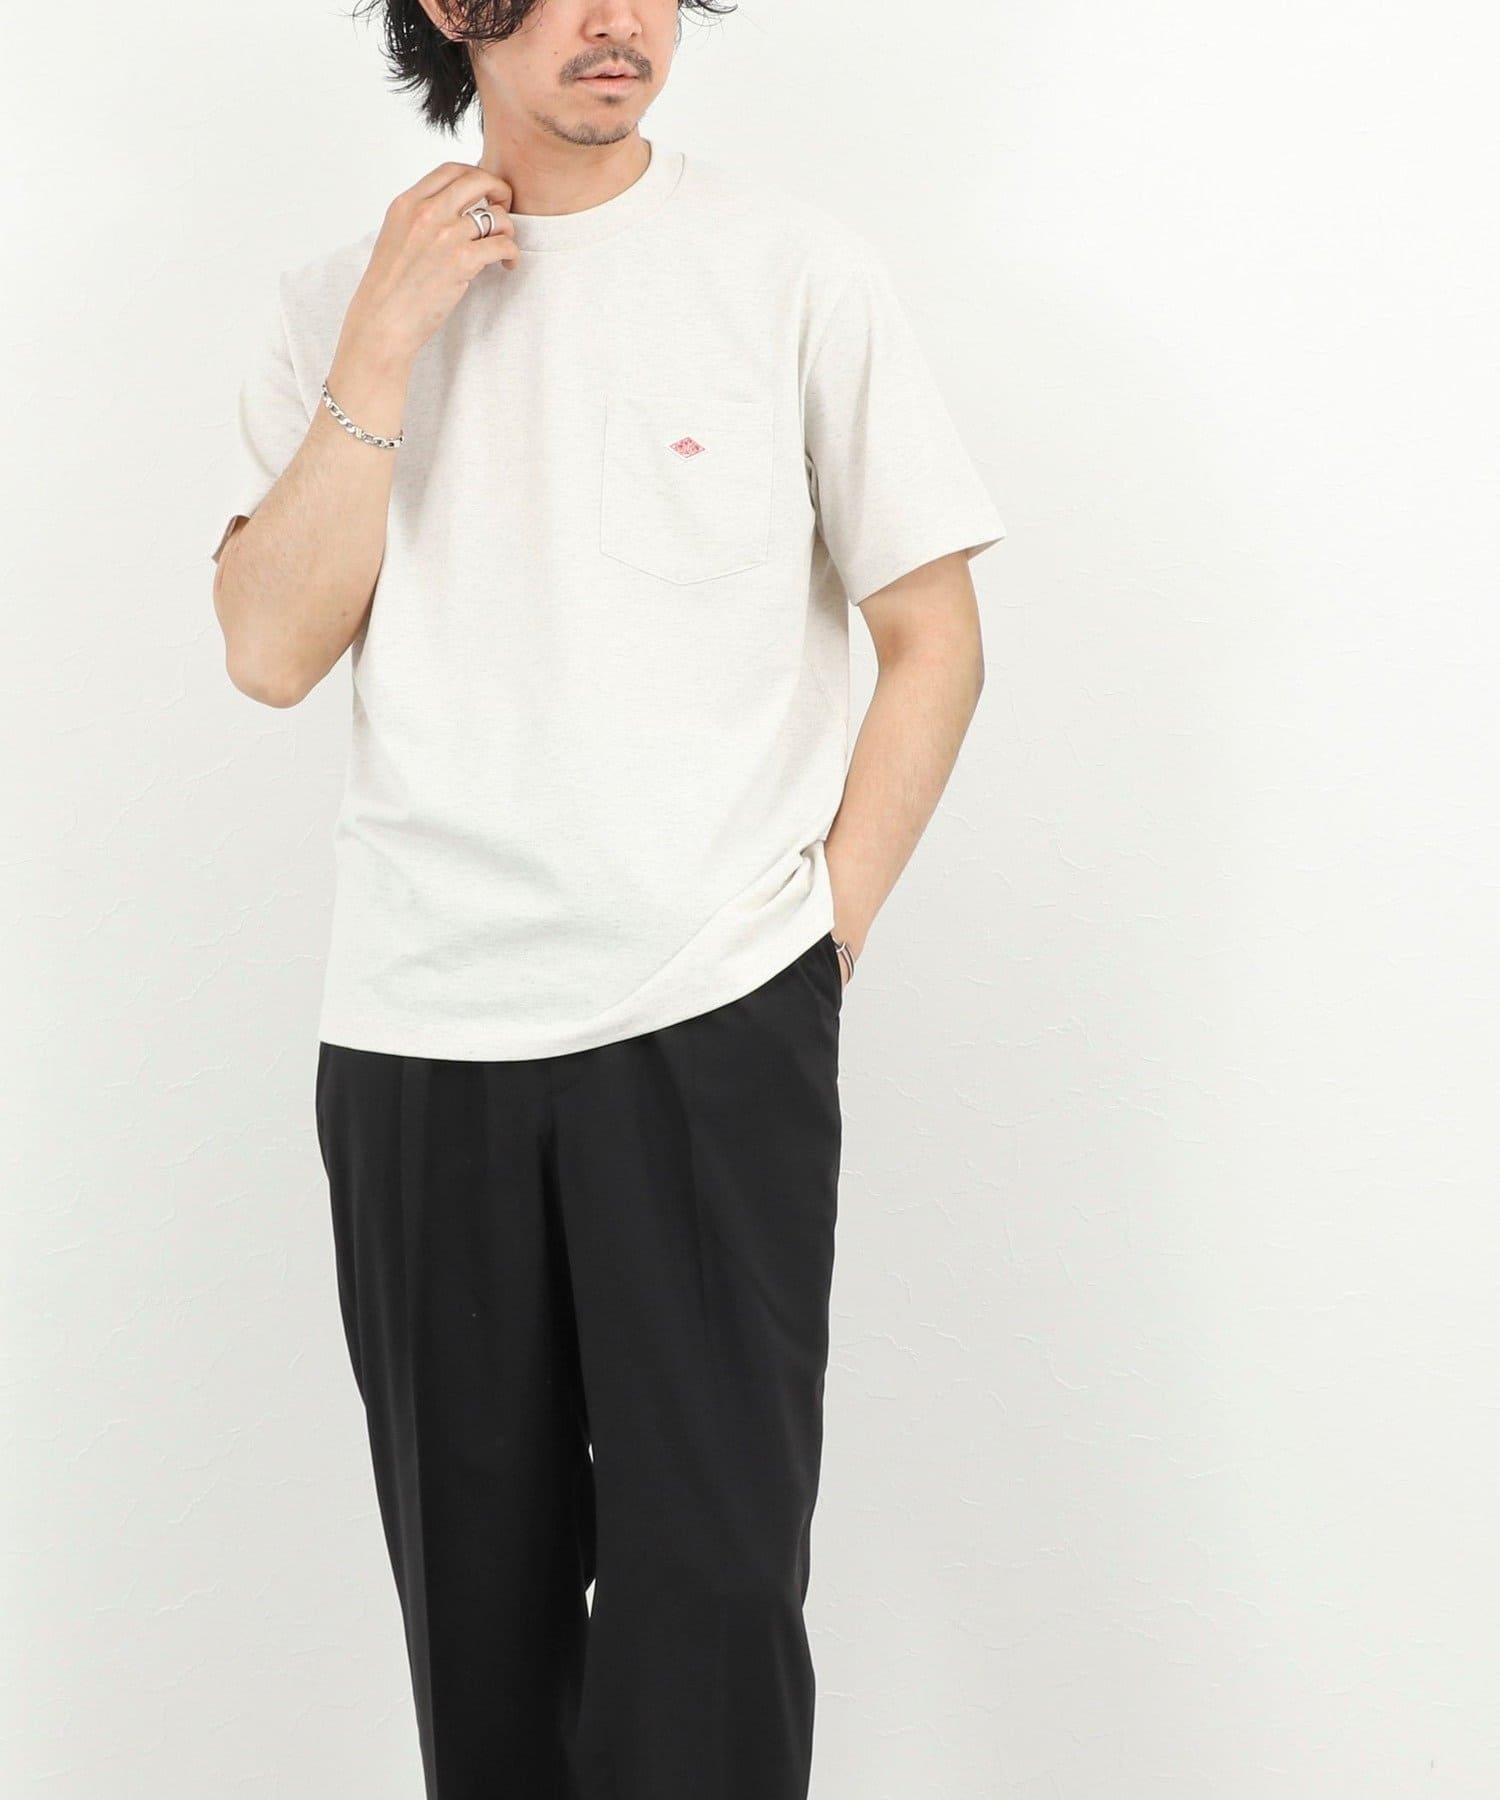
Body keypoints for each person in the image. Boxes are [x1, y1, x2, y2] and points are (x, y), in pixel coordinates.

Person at [211, 2, 1005, 1794]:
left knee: (713, 1598)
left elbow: (933, 636)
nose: (619, 19)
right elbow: (268, 650)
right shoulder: (333, 302)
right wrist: (389, 338)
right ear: (449, 7)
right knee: (481, 1631)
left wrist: (816, 948)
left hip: (712, 1019)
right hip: (418, 1034)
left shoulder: (791, 270)